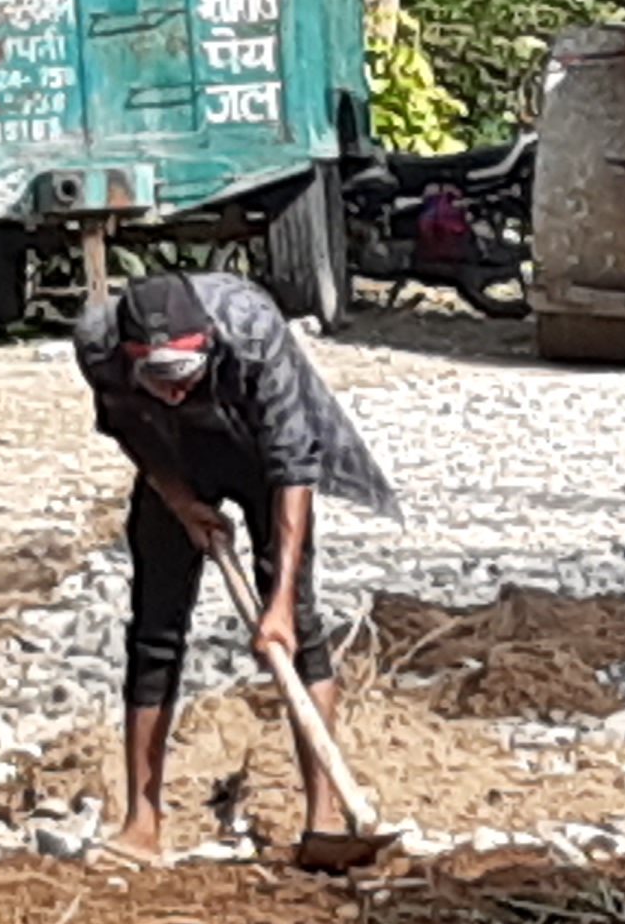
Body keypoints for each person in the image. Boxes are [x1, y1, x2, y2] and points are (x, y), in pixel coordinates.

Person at [73, 269, 396, 861]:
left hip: (257, 455)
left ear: (207, 347)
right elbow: (126, 424)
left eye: (183, 377)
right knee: (155, 629)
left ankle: (323, 816)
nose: (173, 392)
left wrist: (276, 610)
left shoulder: (251, 330)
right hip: (173, 457)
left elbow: (293, 470)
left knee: (298, 624)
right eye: (157, 379)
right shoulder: (98, 342)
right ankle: (142, 821)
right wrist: (176, 498)